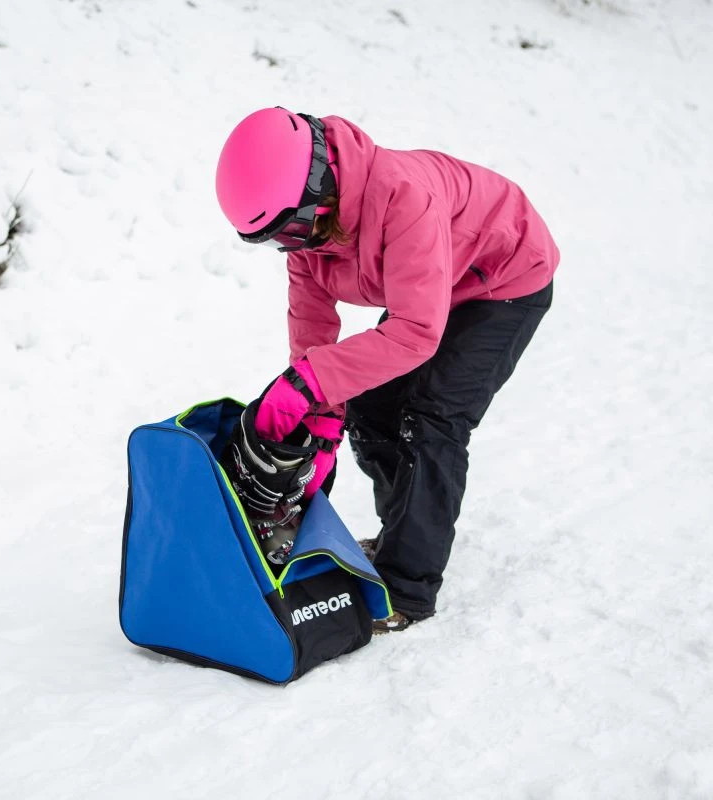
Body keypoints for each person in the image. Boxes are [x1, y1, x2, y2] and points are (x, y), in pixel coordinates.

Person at [215, 107, 559, 633]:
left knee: (433, 418)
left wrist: (312, 381)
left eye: (295, 228)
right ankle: (402, 532)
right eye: (280, 238)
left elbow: (416, 332)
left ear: (321, 184)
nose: (293, 244)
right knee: (372, 404)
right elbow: (312, 325)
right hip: (434, 282)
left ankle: (407, 585)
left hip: (503, 277)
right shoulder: (307, 232)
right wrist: (319, 409)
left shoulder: (402, 198)